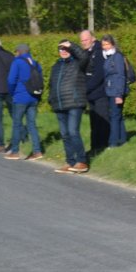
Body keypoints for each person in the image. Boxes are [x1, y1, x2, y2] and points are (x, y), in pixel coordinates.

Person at [48, 40, 90, 173]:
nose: (64, 51)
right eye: (61, 49)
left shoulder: (77, 63)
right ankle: (70, 161)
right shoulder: (56, 66)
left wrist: (71, 45)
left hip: (74, 102)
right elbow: (51, 84)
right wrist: (51, 99)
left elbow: (84, 56)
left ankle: (82, 161)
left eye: (66, 49)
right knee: (65, 134)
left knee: (73, 132)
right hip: (59, 104)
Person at [4, 44, 45, 159]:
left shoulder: (17, 62)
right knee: (32, 124)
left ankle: (15, 152)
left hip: (20, 97)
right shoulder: (36, 63)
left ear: (19, 52)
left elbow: (11, 80)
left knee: (17, 124)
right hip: (34, 97)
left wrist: (13, 93)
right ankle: (37, 151)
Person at [78, 28, 111, 155]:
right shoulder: (87, 52)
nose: (84, 42)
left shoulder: (99, 52)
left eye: (86, 39)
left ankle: (103, 146)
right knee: (94, 122)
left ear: (93, 38)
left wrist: (86, 88)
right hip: (91, 94)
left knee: (102, 120)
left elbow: (99, 74)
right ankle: (95, 147)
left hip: (100, 92)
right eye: (82, 41)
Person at [100, 34, 130, 148]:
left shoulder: (116, 57)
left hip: (116, 91)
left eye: (107, 44)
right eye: (103, 44)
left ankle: (113, 142)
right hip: (111, 90)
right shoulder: (107, 57)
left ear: (112, 44)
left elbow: (120, 76)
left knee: (114, 116)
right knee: (118, 115)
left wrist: (118, 94)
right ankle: (122, 139)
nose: (105, 47)